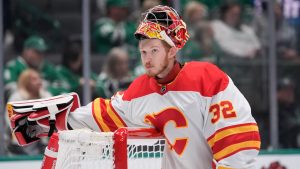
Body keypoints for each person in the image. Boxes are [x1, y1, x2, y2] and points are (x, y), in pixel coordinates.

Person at [8, 5, 260, 169]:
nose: (146, 58)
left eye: (154, 50)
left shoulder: (208, 80)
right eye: (142, 51)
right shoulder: (141, 90)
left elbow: (239, 140)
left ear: (172, 51)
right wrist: (51, 121)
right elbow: (103, 115)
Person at [5, 69, 51, 155]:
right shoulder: (16, 98)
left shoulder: (46, 96)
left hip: (43, 139)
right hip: (20, 141)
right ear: (26, 82)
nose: (39, 81)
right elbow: (10, 120)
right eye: (34, 79)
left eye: (39, 78)